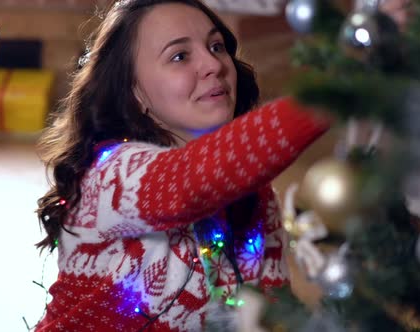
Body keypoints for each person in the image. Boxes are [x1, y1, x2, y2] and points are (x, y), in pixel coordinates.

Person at [34, 0, 329, 330]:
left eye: (216, 46)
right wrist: (338, 95)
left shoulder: (255, 195)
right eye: (180, 56)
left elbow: (273, 313)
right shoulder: (110, 175)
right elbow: (187, 183)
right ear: (135, 94)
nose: (214, 64)